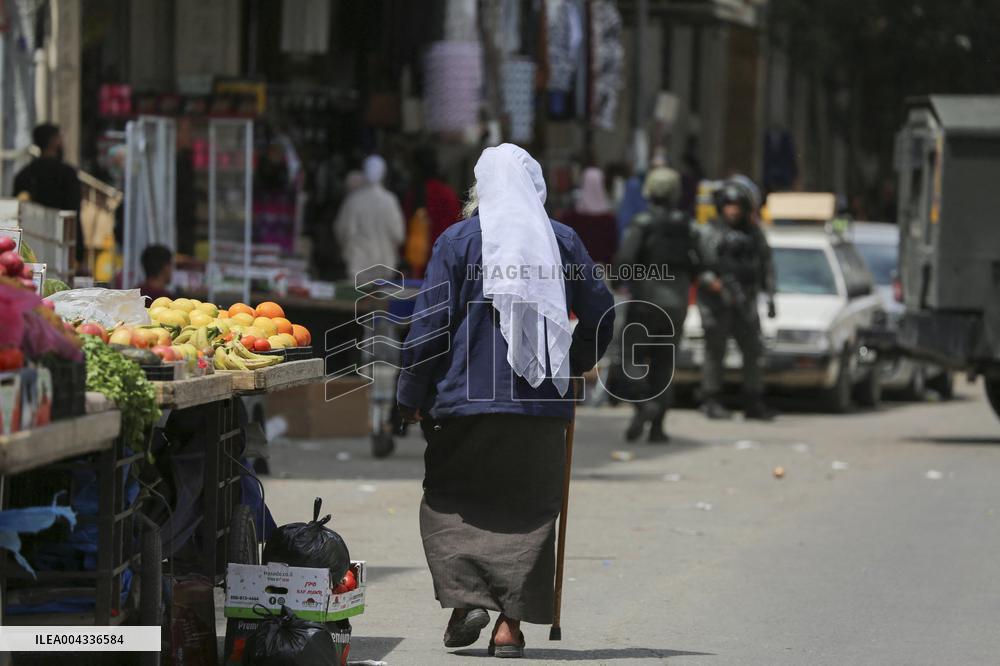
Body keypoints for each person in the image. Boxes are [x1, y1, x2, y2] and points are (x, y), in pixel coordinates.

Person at [396, 144, 614, 658]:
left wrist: (410, 394)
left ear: (480, 190)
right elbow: (601, 310)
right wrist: (572, 361)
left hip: (463, 400)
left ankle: (466, 600)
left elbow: (430, 325)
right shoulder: (562, 241)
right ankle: (508, 627)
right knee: (529, 510)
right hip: (540, 405)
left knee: (451, 501)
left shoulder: (457, 241)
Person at [614, 167, 701, 442]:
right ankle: (658, 428)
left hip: (645, 303)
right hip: (676, 305)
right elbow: (703, 261)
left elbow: (625, 259)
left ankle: (643, 405)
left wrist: (617, 282)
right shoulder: (688, 225)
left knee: (629, 359)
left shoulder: (642, 223)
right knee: (664, 363)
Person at [696, 180, 777, 420]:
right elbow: (698, 265)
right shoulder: (708, 232)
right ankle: (711, 399)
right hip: (717, 302)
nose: (732, 211)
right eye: (728, 205)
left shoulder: (754, 234)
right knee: (715, 352)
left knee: (753, 350)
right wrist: (712, 283)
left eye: (737, 206)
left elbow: (766, 265)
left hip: (746, 300)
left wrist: (770, 296)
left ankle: (753, 400)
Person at [12, 124, 83, 262]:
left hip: (30, 250)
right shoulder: (67, 175)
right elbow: (74, 214)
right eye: (60, 138)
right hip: (61, 250)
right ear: (54, 141)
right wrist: (79, 253)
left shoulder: (24, 175)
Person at [334, 155, 406, 278]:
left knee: (358, 291)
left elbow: (342, 231)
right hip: (384, 265)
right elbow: (398, 235)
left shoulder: (353, 200)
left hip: (358, 265)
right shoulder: (390, 201)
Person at [403, 147, 462, 277]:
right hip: (444, 263)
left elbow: (407, 230)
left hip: (419, 266)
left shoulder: (413, 194)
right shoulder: (448, 194)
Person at [558, 167, 618, 266]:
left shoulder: (569, 218)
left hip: (577, 268)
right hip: (601, 268)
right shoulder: (609, 219)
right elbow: (613, 248)